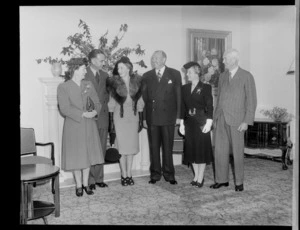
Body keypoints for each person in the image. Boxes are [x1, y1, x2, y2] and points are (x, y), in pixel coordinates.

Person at [210, 48, 257, 192]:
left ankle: (239, 182)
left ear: (234, 60)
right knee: (219, 151)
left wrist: (246, 121)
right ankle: (221, 180)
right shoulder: (222, 76)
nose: (223, 61)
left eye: (225, 59)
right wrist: (214, 118)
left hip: (238, 120)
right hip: (221, 118)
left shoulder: (246, 76)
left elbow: (252, 100)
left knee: (237, 152)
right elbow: (219, 100)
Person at [57, 57, 104, 197]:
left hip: (89, 125)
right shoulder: (63, 87)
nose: (85, 71)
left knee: (87, 154)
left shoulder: (88, 84)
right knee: (76, 155)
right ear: (75, 69)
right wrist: (82, 114)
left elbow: (97, 102)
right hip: (74, 125)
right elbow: (64, 109)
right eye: (83, 68)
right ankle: (78, 185)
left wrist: (95, 111)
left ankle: (85, 184)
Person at [142, 50, 182, 185]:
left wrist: (178, 117)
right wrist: (144, 118)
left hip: (168, 117)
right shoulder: (147, 76)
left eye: (157, 58)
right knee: (153, 147)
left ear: (164, 59)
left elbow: (178, 96)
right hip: (152, 117)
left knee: (167, 148)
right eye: (153, 58)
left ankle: (169, 174)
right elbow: (145, 99)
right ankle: (155, 174)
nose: (154, 60)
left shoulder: (175, 74)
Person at [107, 56, 144, 186]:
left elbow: (140, 102)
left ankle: (129, 173)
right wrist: (111, 122)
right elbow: (111, 104)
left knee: (131, 147)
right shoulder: (114, 83)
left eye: (121, 67)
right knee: (121, 148)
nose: (119, 69)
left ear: (128, 68)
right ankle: (123, 175)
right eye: (118, 68)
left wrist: (141, 119)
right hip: (119, 118)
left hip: (133, 118)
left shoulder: (136, 82)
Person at [179, 62, 213, 188]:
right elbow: (183, 107)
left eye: (189, 72)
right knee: (192, 149)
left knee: (201, 150)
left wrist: (209, 122)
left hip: (201, 122)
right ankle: (195, 176)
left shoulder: (205, 87)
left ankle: (201, 176)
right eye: (187, 72)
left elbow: (209, 106)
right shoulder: (185, 88)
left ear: (197, 73)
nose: (187, 74)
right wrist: (182, 123)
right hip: (189, 122)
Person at [84, 49, 109, 190]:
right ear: (93, 61)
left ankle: (99, 178)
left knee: (101, 149)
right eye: (101, 60)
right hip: (89, 117)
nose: (104, 63)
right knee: (89, 149)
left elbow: (108, 96)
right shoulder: (83, 74)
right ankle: (90, 180)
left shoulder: (105, 75)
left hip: (103, 117)